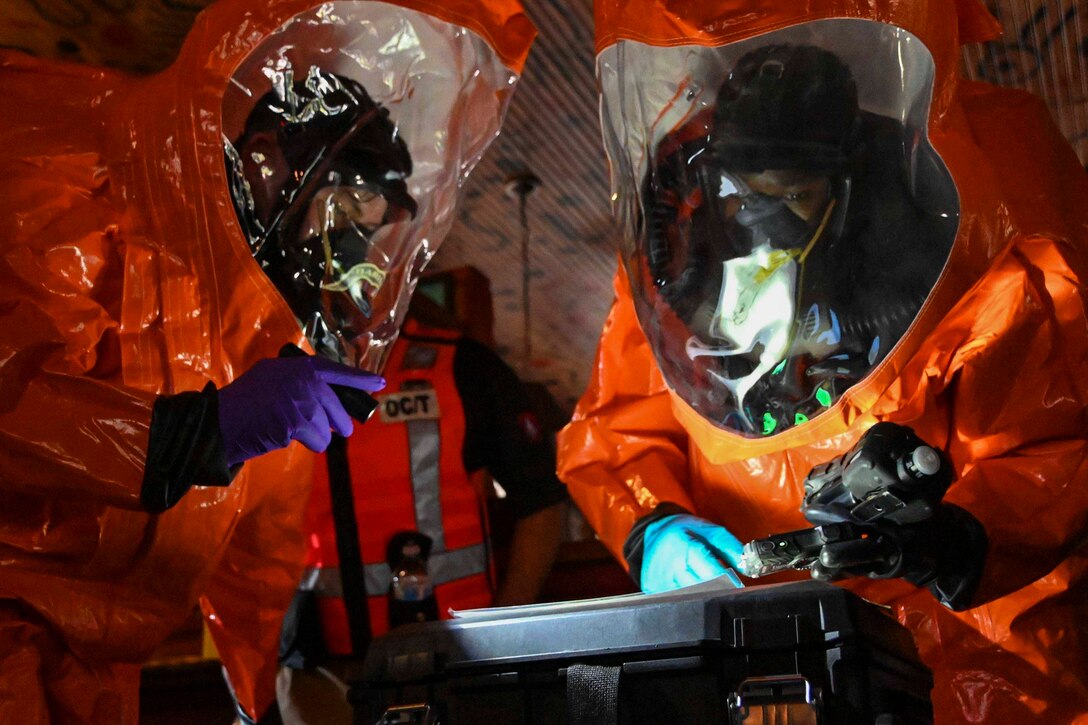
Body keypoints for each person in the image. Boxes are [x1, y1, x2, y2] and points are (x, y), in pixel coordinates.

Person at [0, 0, 534, 721]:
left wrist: (262, 694)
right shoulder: (68, 169)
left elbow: (261, 548)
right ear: (268, 156)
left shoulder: (252, 329)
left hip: (85, 674)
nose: (340, 259)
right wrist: (194, 434)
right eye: (341, 218)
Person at [559, 6, 1088, 724]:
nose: (764, 220)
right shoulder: (680, 272)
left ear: (846, 185)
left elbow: (1049, 450)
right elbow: (618, 431)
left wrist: (948, 537)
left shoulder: (967, 257)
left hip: (956, 662)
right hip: (754, 653)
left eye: (793, 195)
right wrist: (653, 527)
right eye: (746, 195)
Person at [276, 292, 567, 724]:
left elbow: (541, 501)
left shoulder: (462, 366)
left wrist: (502, 631)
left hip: (458, 664)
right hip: (317, 672)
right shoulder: (268, 378)